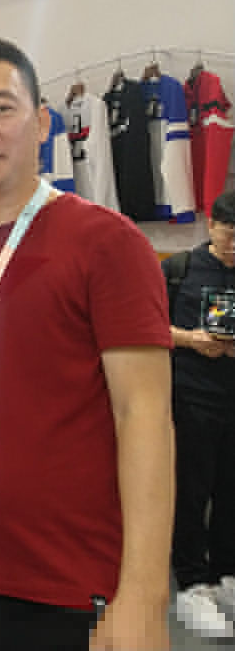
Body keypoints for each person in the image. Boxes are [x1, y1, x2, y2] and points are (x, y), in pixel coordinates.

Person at [0, 35, 174, 651]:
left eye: (1, 108)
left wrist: (144, 597)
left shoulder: (108, 243)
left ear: (42, 123)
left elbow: (145, 416)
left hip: (77, 584)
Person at [165, 189, 235, 638]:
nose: (234, 246)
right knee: (190, 493)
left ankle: (227, 574)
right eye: (228, 234)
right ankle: (191, 582)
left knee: (231, 492)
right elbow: (147, 324)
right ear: (211, 226)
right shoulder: (180, 269)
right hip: (190, 400)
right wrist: (192, 339)